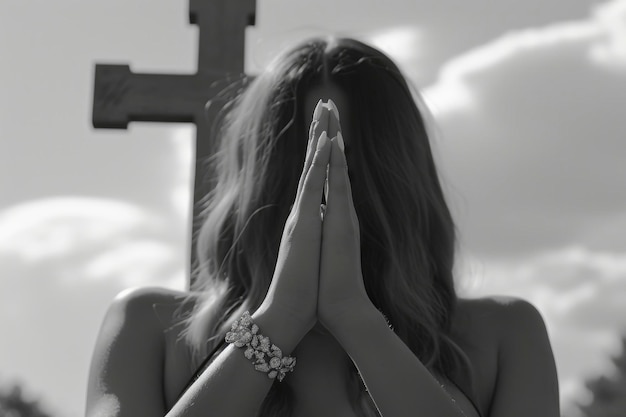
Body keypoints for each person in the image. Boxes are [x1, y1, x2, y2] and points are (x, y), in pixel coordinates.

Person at [85, 37, 560, 417]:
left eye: (344, 166)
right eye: (304, 165)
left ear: (396, 181)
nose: (325, 197)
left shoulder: (502, 336)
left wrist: (357, 319)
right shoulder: (150, 327)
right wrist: (278, 319)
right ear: (260, 182)